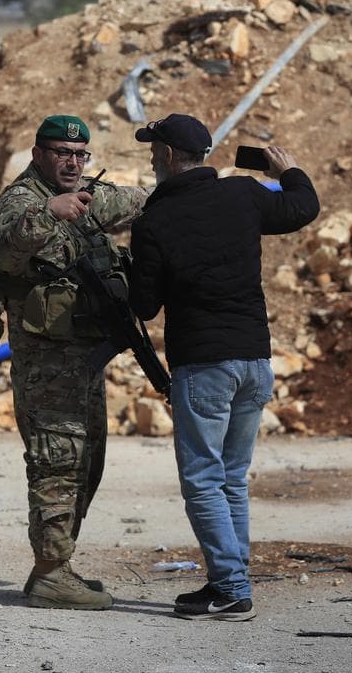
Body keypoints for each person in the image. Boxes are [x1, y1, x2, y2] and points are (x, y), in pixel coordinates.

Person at [128, 114, 320, 621]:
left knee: (203, 479)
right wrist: (291, 170)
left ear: (169, 156)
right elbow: (302, 207)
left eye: (154, 151)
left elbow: (144, 306)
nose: (151, 159)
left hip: (204, 365)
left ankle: (232, 588)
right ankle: (227, 582)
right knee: (231, 478)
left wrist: (135, 266)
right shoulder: (243, 194)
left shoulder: (155, 221)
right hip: (255, 360)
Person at [0, 114, 148, 609]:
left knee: (87, 463)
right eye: (62, 153)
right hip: (46, 367)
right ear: (38, 154)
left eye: (81, 155)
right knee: (57, 464)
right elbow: (5, 250)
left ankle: (61, 565)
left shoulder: (83, 197)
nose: (73, 163)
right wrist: (51, 213)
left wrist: (189, 188)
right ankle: (51, 572)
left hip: (83, 362)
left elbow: (134, 201)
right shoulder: (24, 201)